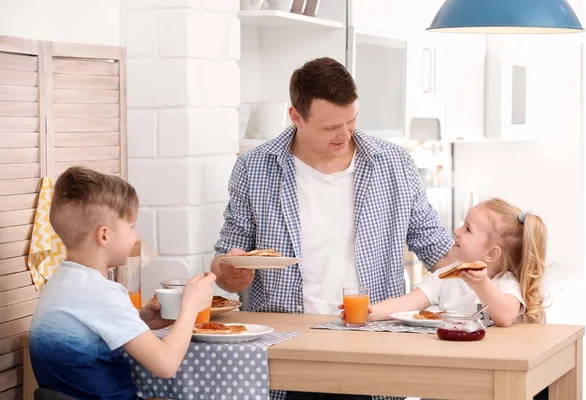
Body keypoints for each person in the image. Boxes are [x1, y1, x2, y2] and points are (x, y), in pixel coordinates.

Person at [211, 57, 459, 399]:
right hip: (286, 345)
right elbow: (226, 260)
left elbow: (436, 247)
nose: (344, 135)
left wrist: (492, 286)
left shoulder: (393, 163)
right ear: (296, 117)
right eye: (331, 127)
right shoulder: (254, 167)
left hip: (374, 338)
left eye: (351, 121)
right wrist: (229, 271)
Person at [29, 167, 216, 400]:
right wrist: (190, 306)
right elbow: (166, 365)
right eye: (131, 226)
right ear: (104, 235)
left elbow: (93, 327)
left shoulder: (58, 283)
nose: (136, 235)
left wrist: (139, 321)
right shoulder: (103, 293)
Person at [357, 199, 549, 400]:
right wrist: (371, 312)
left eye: (468, 229)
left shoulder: (506, 282)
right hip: (453, 373)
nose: (457, 231)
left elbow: (505, 316)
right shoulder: (446, 275)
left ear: (492, 253)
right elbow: (412, 301)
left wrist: (481, 283)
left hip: (493, 380)